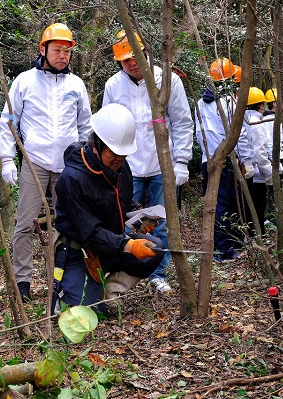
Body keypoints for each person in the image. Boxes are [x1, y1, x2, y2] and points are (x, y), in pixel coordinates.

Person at [0, 23, 92, 301]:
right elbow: (8, 122)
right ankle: (22, 282)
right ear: (43, 49)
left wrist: (85, 160)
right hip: (34, 161)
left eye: (67, 50)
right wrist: (6, 158)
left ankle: (65, 280)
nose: (63, 55)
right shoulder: (24, 81)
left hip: (69, 166)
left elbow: (85, 124)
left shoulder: (76, 84)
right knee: (25, 223)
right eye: (57, 50)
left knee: (69, 225)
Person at [102, 31, 193, 293]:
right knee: (121, 221)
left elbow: (183, 121)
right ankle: (120, 274)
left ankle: (158, 273)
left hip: (161, 164)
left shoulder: (169, 80)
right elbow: (108, 126)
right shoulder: (113, 86)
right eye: (125, 59)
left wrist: (182, 161)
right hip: (126, 166)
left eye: (136, 56)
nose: (132, 63)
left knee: (161, 221)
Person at [53, 103, 164, 312]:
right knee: (87, 313)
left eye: (124, 154)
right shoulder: (72, 178)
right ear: (97, 144)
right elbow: (89, 232)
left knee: (155, 249)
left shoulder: (121, 166)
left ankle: (112, 292)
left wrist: (139, 217)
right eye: (114, 153)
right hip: (81, 252)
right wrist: (129, 246)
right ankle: (80, 291)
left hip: (113, 244)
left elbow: (122, 199)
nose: (120, 159)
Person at [195, 58, 254, 262]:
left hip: (207, 159)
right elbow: (242, 134)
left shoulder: (200, 103)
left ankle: (218, 247)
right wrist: (247, 161)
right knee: (223, 205)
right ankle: (223, 250)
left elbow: (198, 134)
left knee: (213, 203)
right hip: (226, 160)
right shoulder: (230, 102)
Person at [244, 87, 272, 235]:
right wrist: (269, 173)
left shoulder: (242, 119)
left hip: (245, 170)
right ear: (260, 105)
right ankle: (258, 234)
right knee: (258, 206)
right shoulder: (256, 123)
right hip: (257, 173)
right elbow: (260, 151)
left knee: (248, 207)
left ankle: (250, 235)